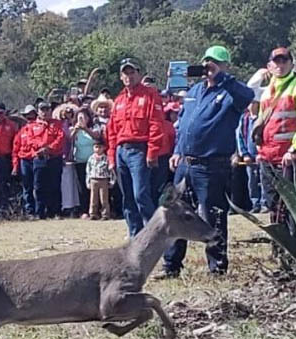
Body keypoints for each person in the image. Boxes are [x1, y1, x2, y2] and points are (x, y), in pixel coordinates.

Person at [164, 45, 254, 277]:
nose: (208, 66)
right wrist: (177, 151)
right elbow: (184, 124)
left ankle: (217, 268)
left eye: (214, 62)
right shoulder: (195, 90)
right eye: (206, 62)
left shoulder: (231, 93)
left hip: (212, 165)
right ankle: (171, 265)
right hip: (185, 163)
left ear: (224, 65)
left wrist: (222, 78)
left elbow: (248, 96)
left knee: (213, 214)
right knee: (176, 212)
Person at [256, 47, 296, 230]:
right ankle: (280, 250)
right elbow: (262, 125)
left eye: (285, 61)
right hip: (269, 158)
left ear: (291, 64)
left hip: (292, 159)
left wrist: (295, 149)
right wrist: (260, 151)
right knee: (273, 206)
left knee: (294, 208)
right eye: (276, 62)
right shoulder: (268, 92)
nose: (281, 65)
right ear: (269, 66)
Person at [105, 57, 167, 237]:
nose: (129, 76)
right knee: (128, 198)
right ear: (121, 76)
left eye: (133, 72)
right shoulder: (119, 100)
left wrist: (152, 151)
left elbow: (156, 124)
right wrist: (111, 158)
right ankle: (135, 235)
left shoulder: (149, 94)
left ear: (139, 74)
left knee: (141, 194)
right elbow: (112, 131)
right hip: (121, 151)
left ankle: (153, 233)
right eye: (126, 73)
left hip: (139, 149)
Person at [236, 92, 265, 212]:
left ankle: (265, 203)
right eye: (250, 103)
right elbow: (240, 137)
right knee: (252, 181)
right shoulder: (244, 119)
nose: (251, 105)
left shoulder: (262, 118)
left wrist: (262, 153)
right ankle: (255, 203)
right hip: (249, 156)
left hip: (262, 156)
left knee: (263, 180)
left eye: (254, 102)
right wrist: (244, 154)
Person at [86, 139, 113, 220]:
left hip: (103, 180)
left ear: (104, 148)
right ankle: (93, 214)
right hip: (93, 179)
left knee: (104, 199)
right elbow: (88, 170)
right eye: (96, 147)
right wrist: (88, 181)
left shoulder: (106, 158)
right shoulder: (91, 158)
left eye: (100, 147)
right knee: (93, 198)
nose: (98, 149)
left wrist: (112, 181)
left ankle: (105, 214)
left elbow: (111, 171)